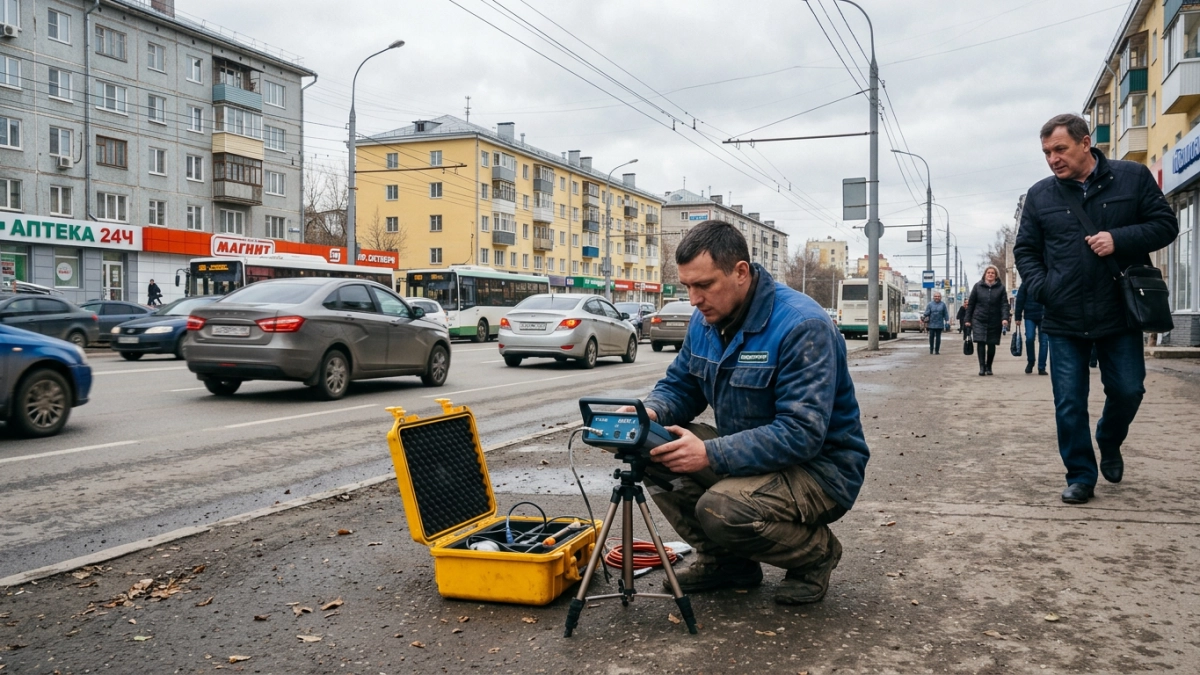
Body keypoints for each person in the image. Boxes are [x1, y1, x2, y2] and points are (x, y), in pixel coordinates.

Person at [627, 220, 870, 605]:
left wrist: (709, 454)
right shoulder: (705, 321)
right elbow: (682, 385)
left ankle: (816, 555)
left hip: (821, 470)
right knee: (652, 448)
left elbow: (801, 433)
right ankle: (727, 563)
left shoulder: (802, 326)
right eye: (687, 286)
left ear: (741, 272)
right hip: (748, 456)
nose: (693, 299)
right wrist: (652, 413)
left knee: (722, 508)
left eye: (704, 285)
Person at [1014, 113, 1178, 505]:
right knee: (1069, 402)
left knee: (1128, 390)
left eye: (1060, 149)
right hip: (1064, 315)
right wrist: (1043, 287)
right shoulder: (1040, 195)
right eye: (1046, 152)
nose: (1053, 159)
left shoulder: (1132, 178)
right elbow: (1026, 250)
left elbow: (1165, 225)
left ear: (1085, 143)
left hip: (1118, 312)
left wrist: (1117, 239)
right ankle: (1081, 475)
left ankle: (1109, 437)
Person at [965, 265, 1009, 376]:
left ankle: (989, 366)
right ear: (985, 274)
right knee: (980, 342)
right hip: (979, 319)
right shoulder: (977, 286)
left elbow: (1004, 304)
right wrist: (967, 319)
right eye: (988, 272)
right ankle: (981, 367)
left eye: (992, 273)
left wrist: (1004, 318)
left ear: (996, 275)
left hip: (995, 319)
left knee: (991, 344)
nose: (990, 274)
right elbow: (971, 304)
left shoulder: (1001, 288)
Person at [1014, 285, 1048, 375]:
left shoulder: (1048, 280)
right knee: (1029, 338)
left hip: (1044, 316)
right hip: (1030, 315)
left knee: (1044, 341)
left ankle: (1042, 367)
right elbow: (1020, 300)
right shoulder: (1026, 283)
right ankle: (1031, 361)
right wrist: (1018, 317)